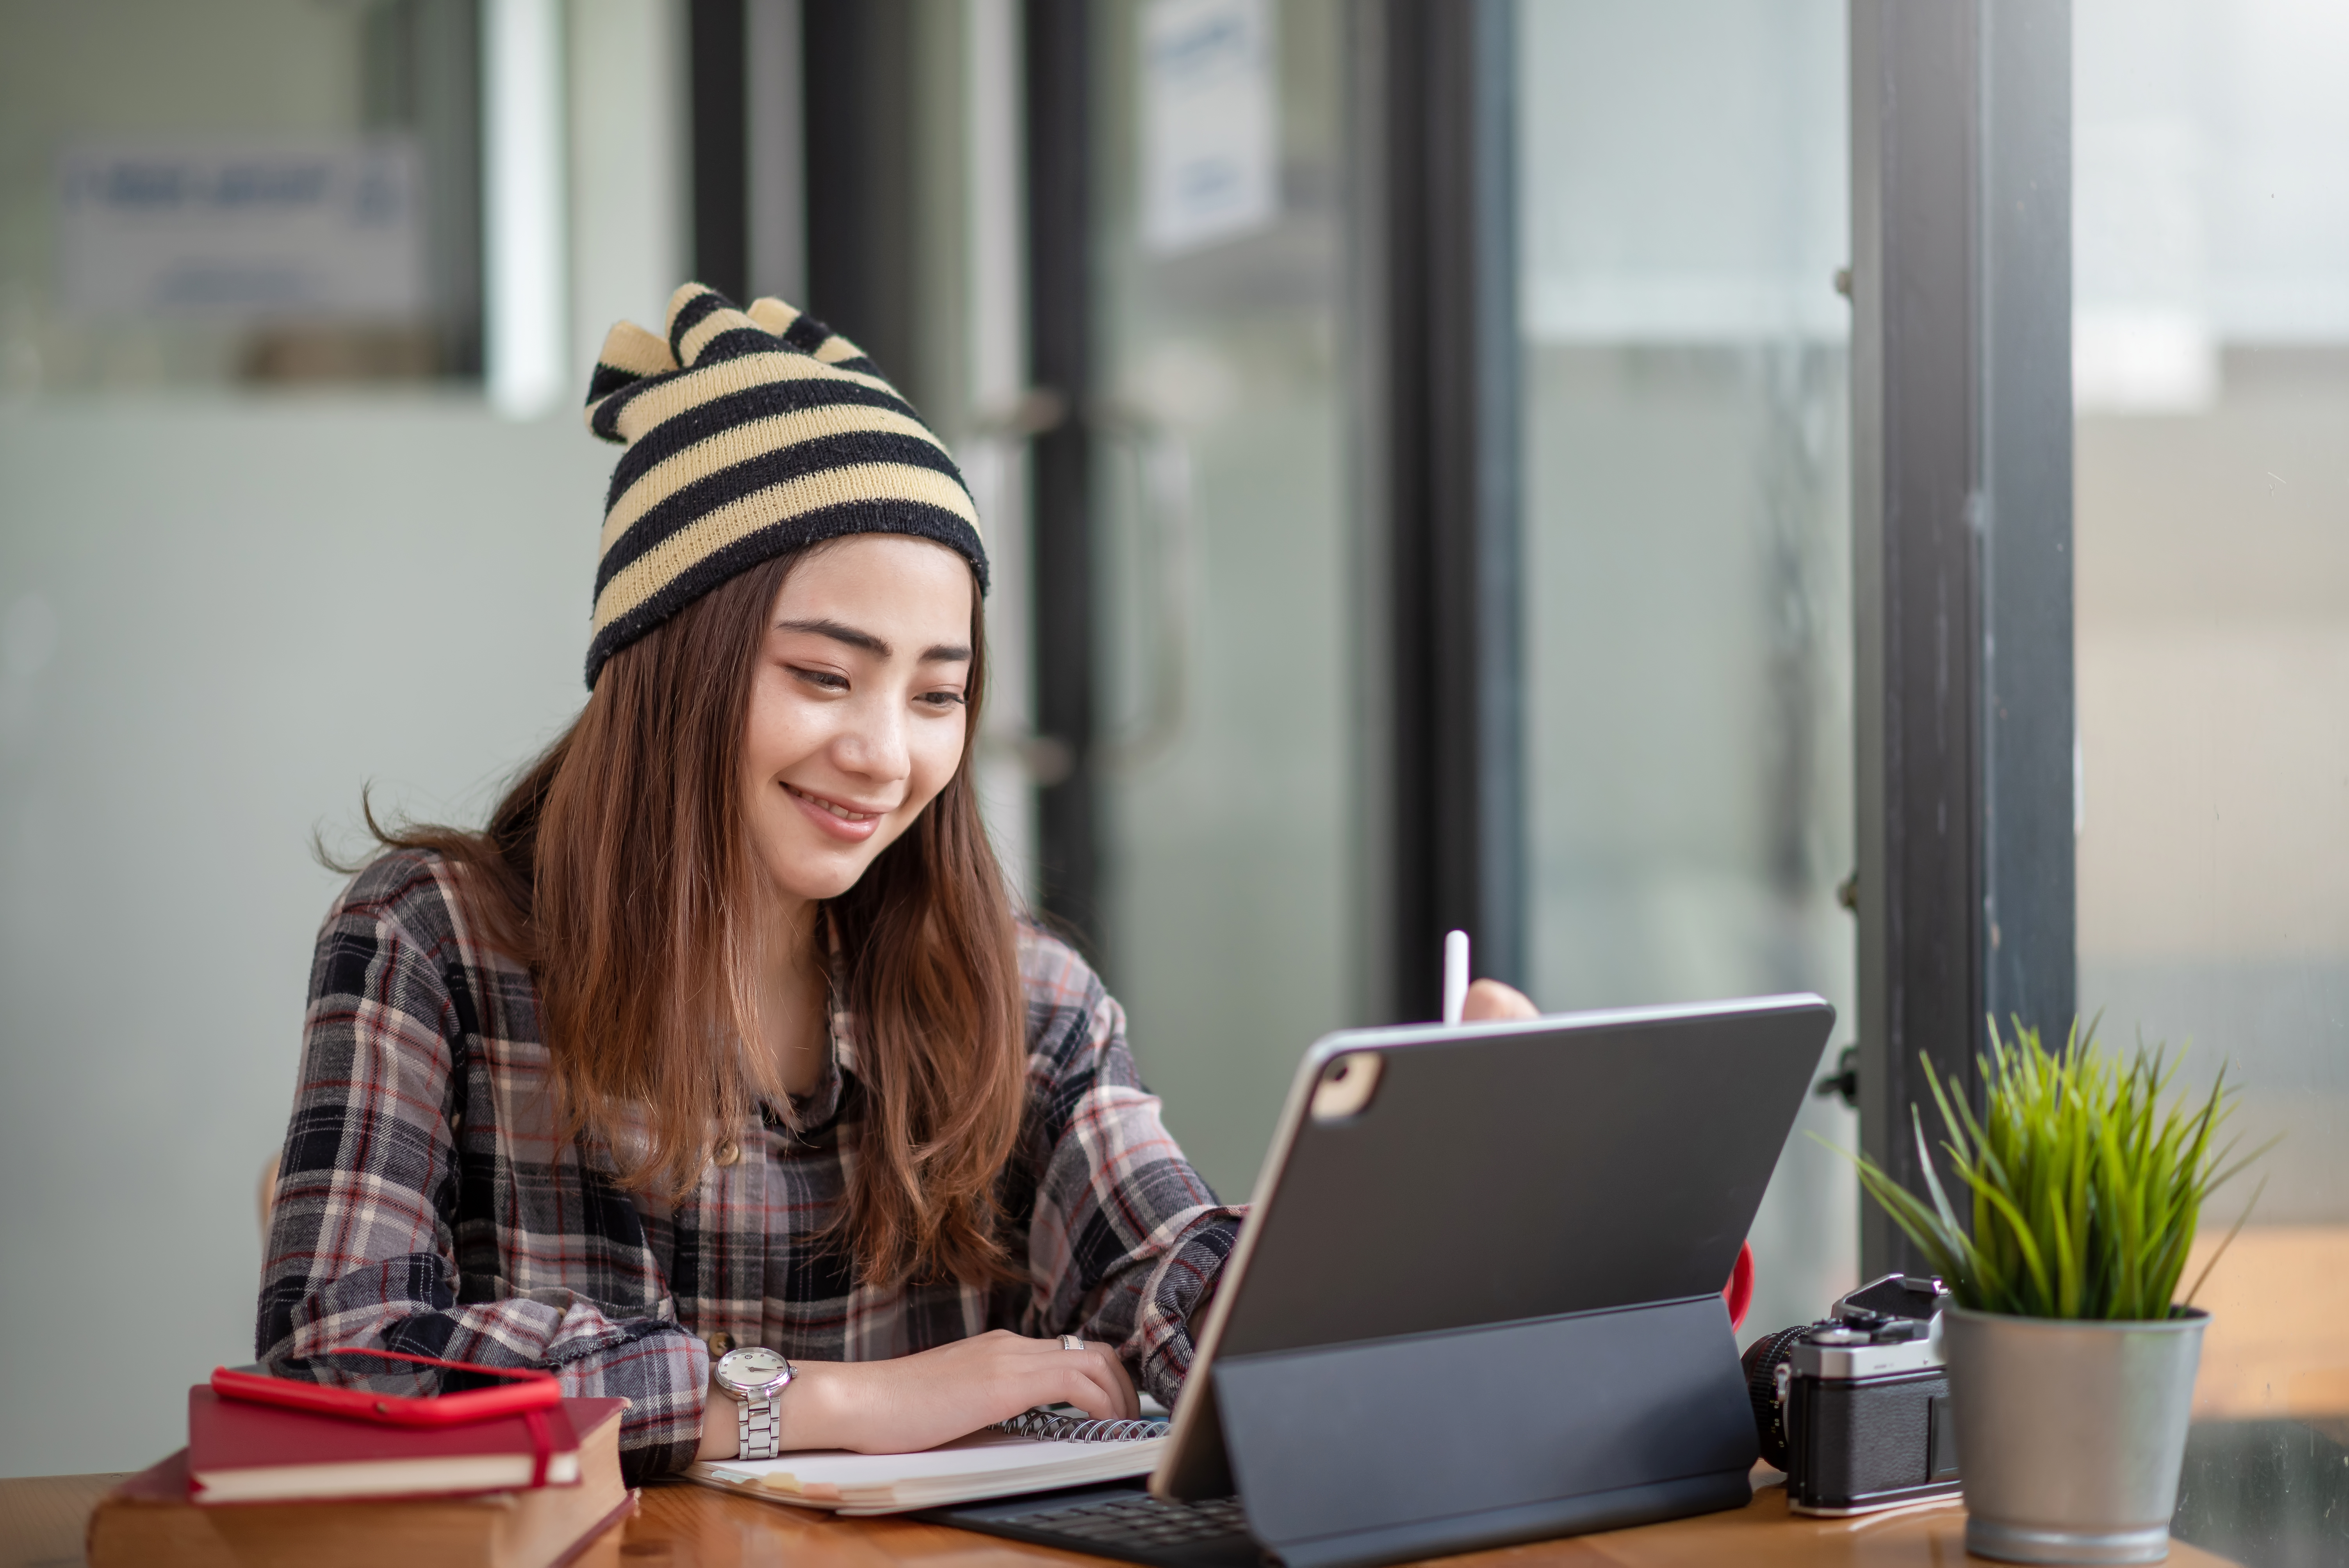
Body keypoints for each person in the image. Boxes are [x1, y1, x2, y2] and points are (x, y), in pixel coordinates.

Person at [256, 284, 1535, 1485]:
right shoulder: (433, 942)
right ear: (667, 665)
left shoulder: (1026, 998)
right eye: (823, 675)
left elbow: (1170, 1282)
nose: (884, 754)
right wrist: (827, 1402)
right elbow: (337, 1354)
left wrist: (1401, 1208)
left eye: (938, 695)